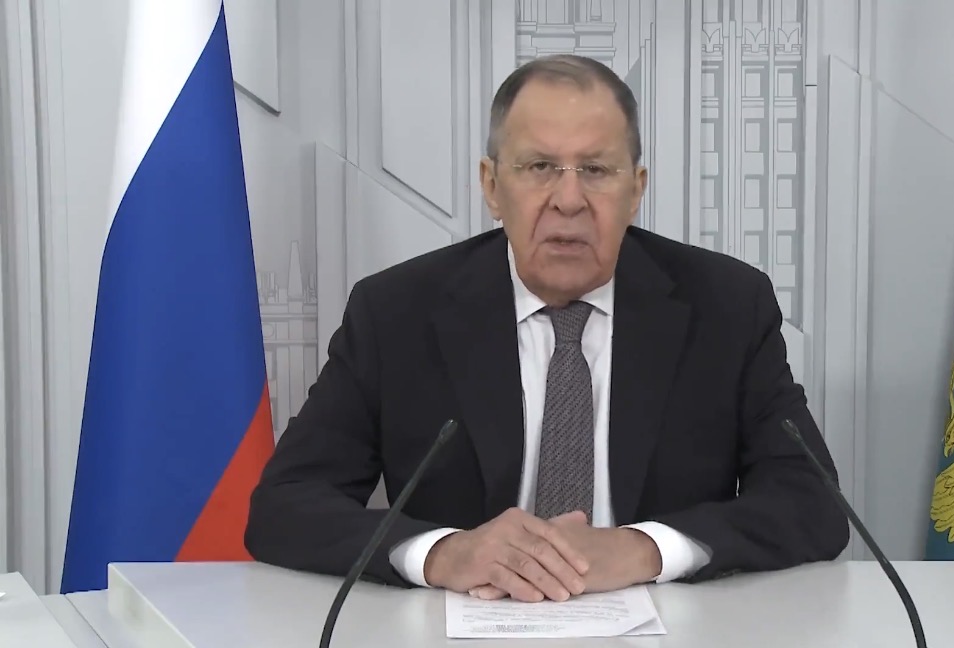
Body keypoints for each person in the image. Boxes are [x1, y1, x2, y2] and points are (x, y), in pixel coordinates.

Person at [244, 54, 849, 603]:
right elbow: (285, 506)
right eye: (539, 167)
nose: (569, 199)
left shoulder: (726, 306)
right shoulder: (396, 312)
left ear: (635, 190)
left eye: (596, 169)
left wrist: (643, 548)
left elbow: (812, 501)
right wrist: (446, 554)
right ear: (491, 186)